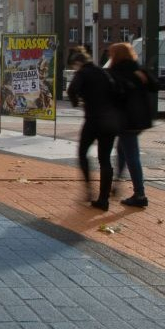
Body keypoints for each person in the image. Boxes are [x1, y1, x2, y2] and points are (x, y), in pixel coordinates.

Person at [66, 47, 121, 210]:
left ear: (78, 63)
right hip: (109, 121)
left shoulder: (82, 73)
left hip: (93, 120)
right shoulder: (104, 73)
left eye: (74, 65)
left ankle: (89, 189)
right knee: (105, 159)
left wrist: (77, 102)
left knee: (82, 152)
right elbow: (117, 92)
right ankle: (104, 199)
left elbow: (71, 90)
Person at [106, 42, 156, 208]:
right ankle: (117, 182)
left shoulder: (115, 71)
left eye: (112, 54)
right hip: (140, 119)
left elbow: (112, 95)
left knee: (131, 155)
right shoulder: (138, 69)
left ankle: (140, 194)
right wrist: (145, 77)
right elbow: (155, 86)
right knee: (122, 150)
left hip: (125, 120)